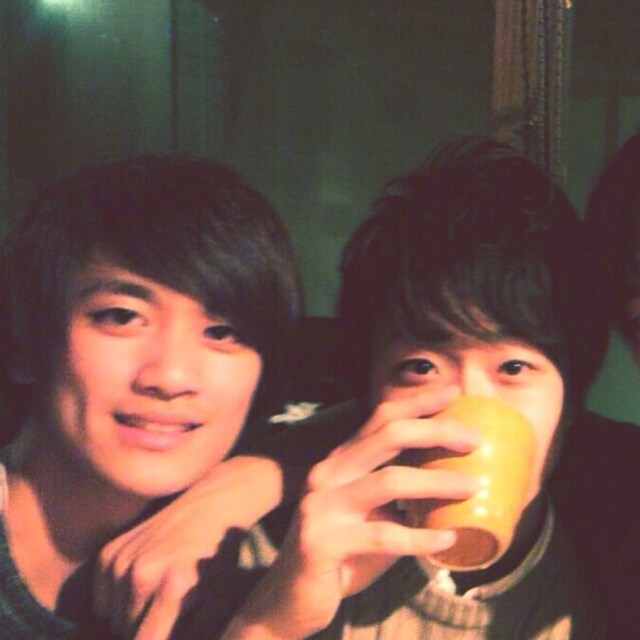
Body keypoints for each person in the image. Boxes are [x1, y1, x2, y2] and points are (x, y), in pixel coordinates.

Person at [219, 137, 615, 639]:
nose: (462, 420)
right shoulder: (269, 556)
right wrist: (270, 624)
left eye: (513, 367)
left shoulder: (611, 582)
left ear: (570, 403)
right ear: (369, 397)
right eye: (421, 367)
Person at [0, 154, 302, 639]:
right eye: (121, 317)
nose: (171, 377)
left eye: (223, 332)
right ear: (26, 343)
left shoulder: (258, 554)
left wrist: (244, 486)